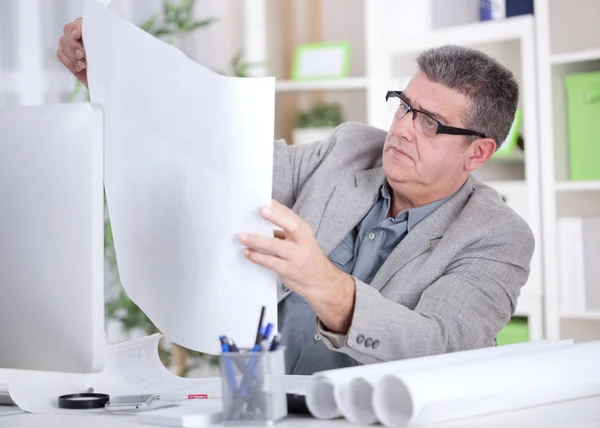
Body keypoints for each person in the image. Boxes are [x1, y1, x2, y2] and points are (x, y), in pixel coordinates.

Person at [58, 19, 534, 375]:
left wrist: (323, 283)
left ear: (478, 152)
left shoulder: (498, 237)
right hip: (261, 403)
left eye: (430, 122)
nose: (404, 130)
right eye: (405, 107)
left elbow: (443, 345)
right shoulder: (350, 149)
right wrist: (118, 84)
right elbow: (228, 159)